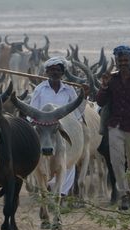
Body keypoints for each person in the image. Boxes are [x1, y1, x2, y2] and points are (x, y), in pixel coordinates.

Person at [97, 45, 130, 210]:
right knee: (116, 161)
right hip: (115, 126)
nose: (123, 63)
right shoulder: (111, 79)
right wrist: (104, 86)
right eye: (120, 60)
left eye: (126, 60)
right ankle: (125, 194)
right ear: (117, 62)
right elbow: (100, 102)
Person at [29, 56, 87, 197]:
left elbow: (78, 111)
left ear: (62, 73)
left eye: (58, 70)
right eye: (52, 70)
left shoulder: (69, 90)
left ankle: (61, 194)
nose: (55, 73)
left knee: (67, 163)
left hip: (64, 129)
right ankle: (46, 188)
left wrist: (85, 95)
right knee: (41, 161)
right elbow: (32, 113)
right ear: (47, 72)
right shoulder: (40, 90)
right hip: (44, 130)